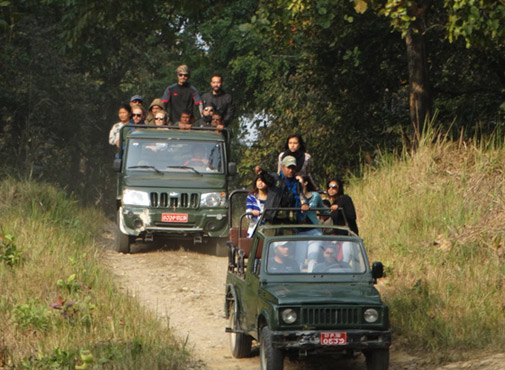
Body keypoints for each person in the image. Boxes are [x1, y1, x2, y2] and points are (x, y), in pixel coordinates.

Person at [256, 155, 309, 224]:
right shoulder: (275, 178)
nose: (291, 170)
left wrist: (305, 203)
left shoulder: (296, 183)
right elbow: (267, 178)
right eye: (288, 167)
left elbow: (301, 195)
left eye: (293, 168)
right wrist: (261, 173)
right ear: (282, 167)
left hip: (289, 219)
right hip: (272, 218)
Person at [296, 175, 328, 271]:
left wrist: (332, 209)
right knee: (299, 259)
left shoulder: (315, 196)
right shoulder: (294, 196)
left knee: (313, 258)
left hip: (314, 230)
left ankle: (311, 279)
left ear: (305, 182)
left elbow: (324, 211)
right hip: (299, 231)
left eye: (299, 181)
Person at [246, 173, 270, 237]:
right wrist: (251, 214)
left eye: (263, 181)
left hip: (268, 229)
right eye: (259, 180)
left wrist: (260, 213)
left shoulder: (271, 198)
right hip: (254, 228)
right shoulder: (251, 197)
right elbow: (247, 213)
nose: (260, 183)